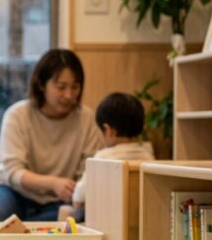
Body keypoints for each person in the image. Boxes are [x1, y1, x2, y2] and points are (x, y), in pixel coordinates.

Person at [0, 49, 104, 231]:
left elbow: (90, 170)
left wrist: (77, 192)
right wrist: (53, 183)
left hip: (58, 200)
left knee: (66, 222)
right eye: (61, 87)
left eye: (75, 87)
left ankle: (21, 224)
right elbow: (12, 171)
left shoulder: (86, 119)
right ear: (42, 84)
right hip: (12, 191)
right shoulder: (18, 115)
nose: (68, 95)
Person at [64, 92, 156, 222]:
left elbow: (79, 196)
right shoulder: (148, 156)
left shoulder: (102, 158)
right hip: (141, 220)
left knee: (66, 212)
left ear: (108, 130)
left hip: (108, 222)